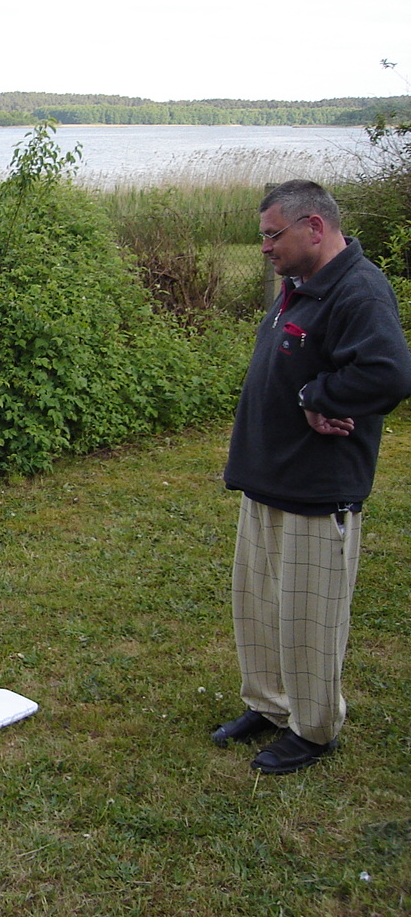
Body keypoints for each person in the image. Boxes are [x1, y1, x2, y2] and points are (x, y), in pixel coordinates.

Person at [213, 179, 411, 774]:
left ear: (315, 227)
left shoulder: (358, 291)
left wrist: (316, 395)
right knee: (258, 606)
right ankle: (270, 705)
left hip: (317, 490)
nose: (265, 247)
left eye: (273, 234)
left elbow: (387, 373)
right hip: (268, 478)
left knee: (309, 618)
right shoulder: (299, 286)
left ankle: (313, 729)